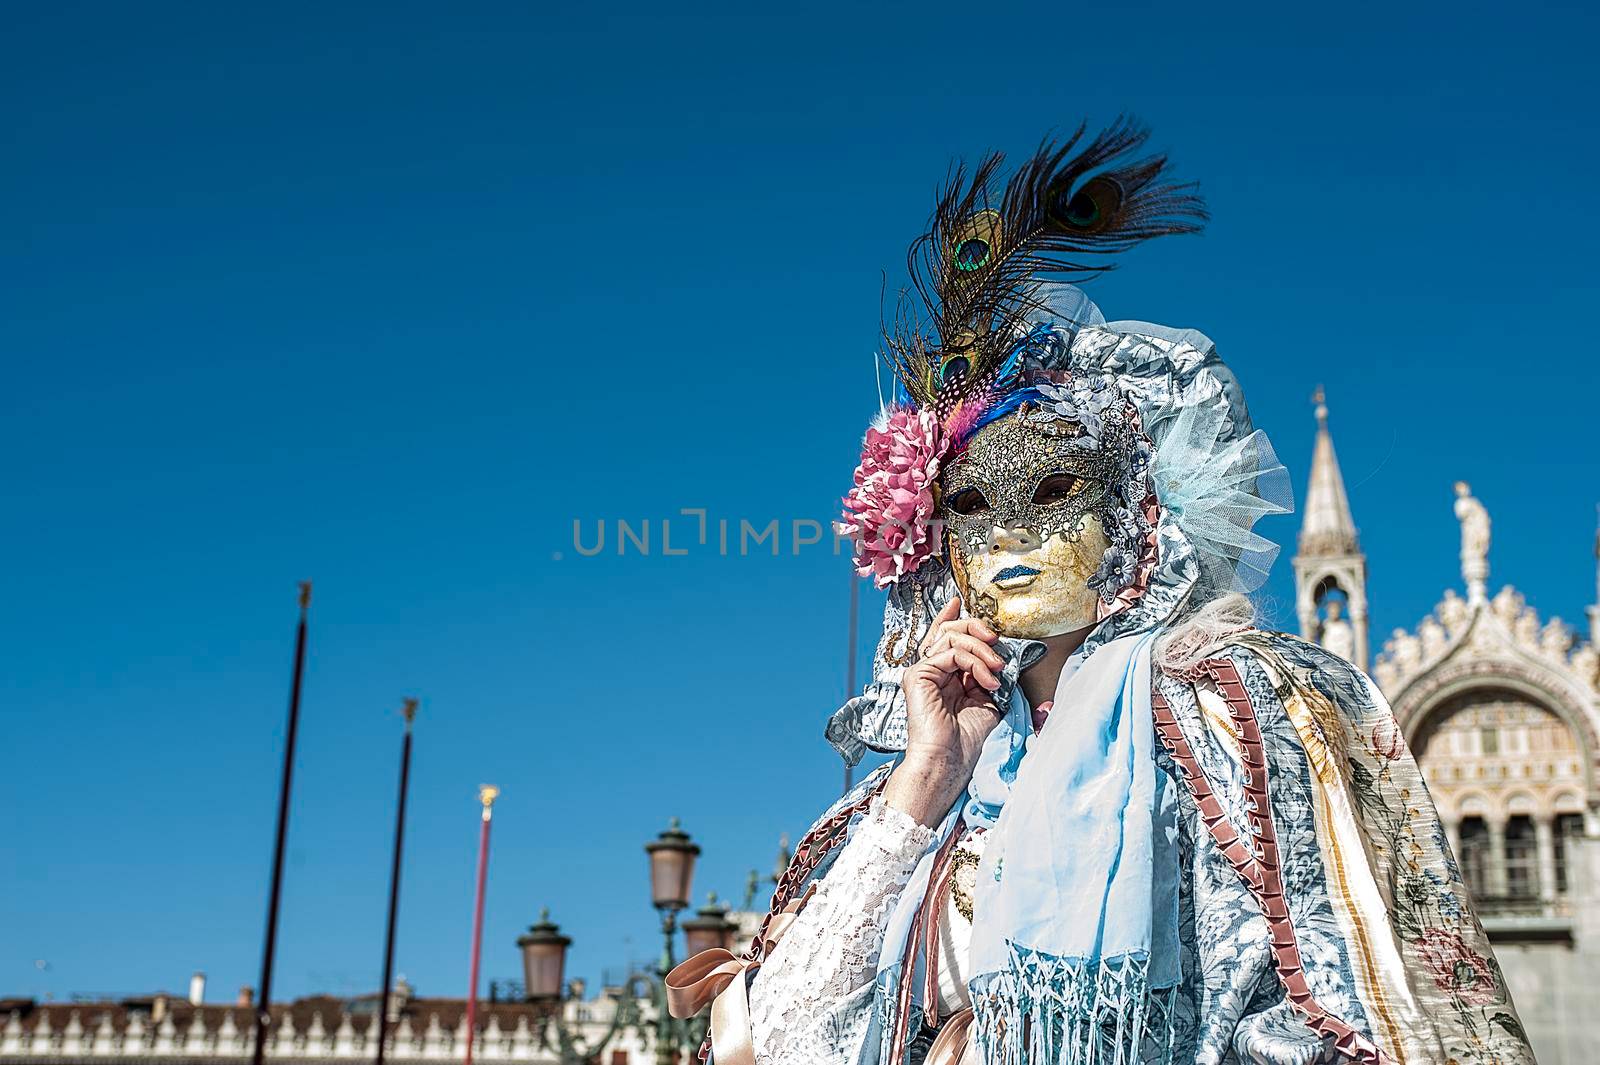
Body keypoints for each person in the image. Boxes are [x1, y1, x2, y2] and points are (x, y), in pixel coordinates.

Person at [666, 121, 1533, 1065]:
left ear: (1135, 513)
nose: (1006, 535)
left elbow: (1347, 1018)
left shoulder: (1231, 716)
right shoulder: (937, 789)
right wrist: (925, 778)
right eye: (968, 506)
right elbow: (778, 1042)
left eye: (1050, 491)